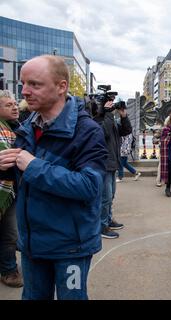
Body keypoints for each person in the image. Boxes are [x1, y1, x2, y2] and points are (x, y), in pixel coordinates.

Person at [0, 55, 107, 299]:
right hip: (32, 244)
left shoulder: (87, 131)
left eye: (34, 84)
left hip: (70, 246)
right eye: (23, 83)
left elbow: (89, 186)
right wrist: (6, 167)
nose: (25, 91)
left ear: (61, 87)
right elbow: (24, 178)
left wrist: (34, 166)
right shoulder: (27, 127)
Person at [93, 96, 132, 239]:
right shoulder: (96, 121)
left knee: (111, 196)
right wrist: (108, 113)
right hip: (103, 165)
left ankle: (108, 220)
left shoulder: (111, 120)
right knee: (105, 197)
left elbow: (126, 130)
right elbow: (105, 133)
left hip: (112, 163)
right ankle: (102, 226)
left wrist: (123, 116)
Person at [0, 90, 23, 288]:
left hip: (10, 190)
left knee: (9, 234)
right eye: (8, 105)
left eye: (15, 103)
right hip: (5, 188)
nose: (15, 107)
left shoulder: (19, 128)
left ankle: (8, 270)